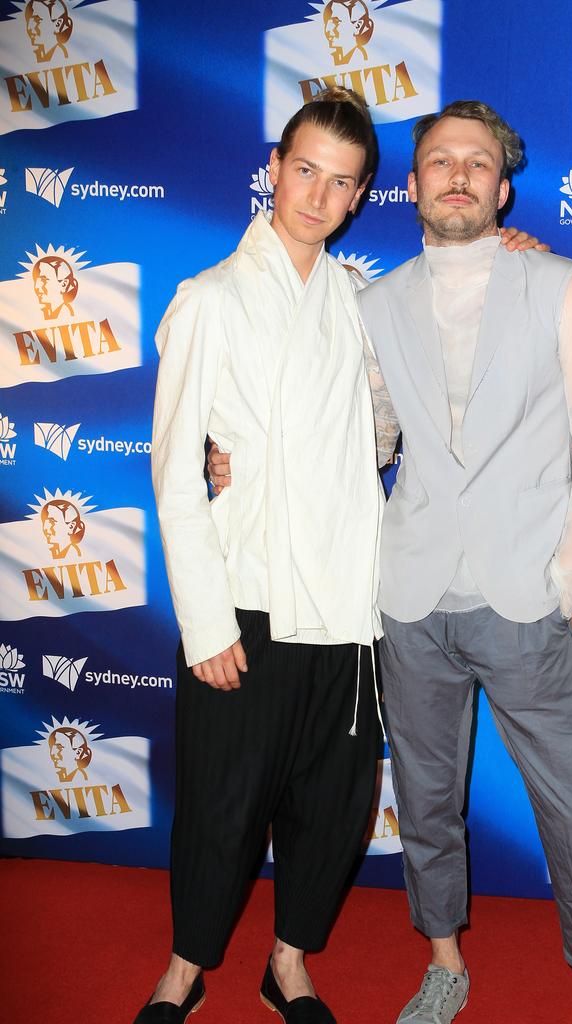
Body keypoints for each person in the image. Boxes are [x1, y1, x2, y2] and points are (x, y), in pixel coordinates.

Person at [209, 99, 572, 1024]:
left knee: (571, 804)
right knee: (425, 798)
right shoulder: (375, 303)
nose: (457, 174)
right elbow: (365, 437)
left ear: (502, 184)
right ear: (409, 186)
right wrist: (241, 457)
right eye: (439, 160)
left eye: (477, 162)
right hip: (406, 596)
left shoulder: (563, 284)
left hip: (525, 595)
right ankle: (443, 960)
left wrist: (569, 577)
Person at [141, 87, 542, 1024]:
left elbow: (384, 437)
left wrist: (506, 256)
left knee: (330, 809)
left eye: (343, 182)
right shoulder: (207, 300)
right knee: (220, 805)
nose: (318, 195)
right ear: (276, 169)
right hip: (244, 603)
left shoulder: (360, 304)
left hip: (352, 606)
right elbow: (173, 475)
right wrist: (203, 620)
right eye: (306, 171)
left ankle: (288, 963)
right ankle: (180, 969)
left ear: (363, 197)